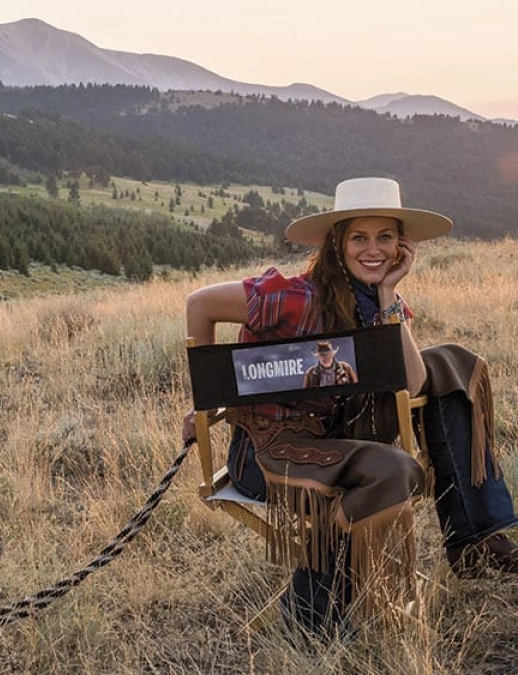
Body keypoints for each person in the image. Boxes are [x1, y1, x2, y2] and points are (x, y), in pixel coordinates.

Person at [182, 177, 518, 634]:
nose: (373, 250)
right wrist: (205, 403)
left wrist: (388, 295)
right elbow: (199, 304)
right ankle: (310, 613)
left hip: (335, 436)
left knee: (451, 362)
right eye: (360, 237)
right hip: (267, 455)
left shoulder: (380, 303)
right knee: (394, 470)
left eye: (385, 237)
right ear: (338, 243)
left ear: (400, 247)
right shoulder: (293, 296)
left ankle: (474, 539)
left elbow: (414, 382)